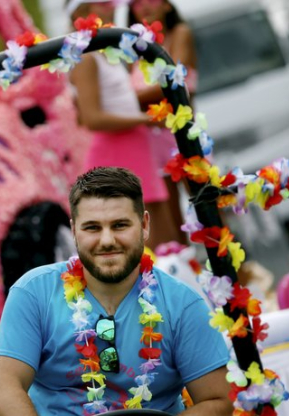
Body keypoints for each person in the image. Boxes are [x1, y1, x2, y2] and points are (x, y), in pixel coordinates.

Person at [0, 167, 235, 416]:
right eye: (92, 227)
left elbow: (221, 406)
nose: (107, 240)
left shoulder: (182, 303)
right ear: (73, 231)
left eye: (119, 225)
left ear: (144, 225)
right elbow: (5, 389)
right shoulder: (33, 293)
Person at [67, 0, 182, 249]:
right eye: (103, 3)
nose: (111, 8)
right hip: (116, 155)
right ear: (80, 12)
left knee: (167, 246)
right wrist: (148, 119)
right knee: (155, 248)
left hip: (135, 149)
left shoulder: (105, 53)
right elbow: (92, 118)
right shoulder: (86, 58)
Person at [129, 0, 198, 245]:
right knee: (172, 225)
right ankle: (187, 275)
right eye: (136, 3)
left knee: (207, 210)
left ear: (168, 5)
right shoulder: (131, 46)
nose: (144, 6)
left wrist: (125, 100)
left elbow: (174, 79)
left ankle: (233, 277)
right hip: (149, 143)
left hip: (182, 136)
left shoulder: (180, 33)